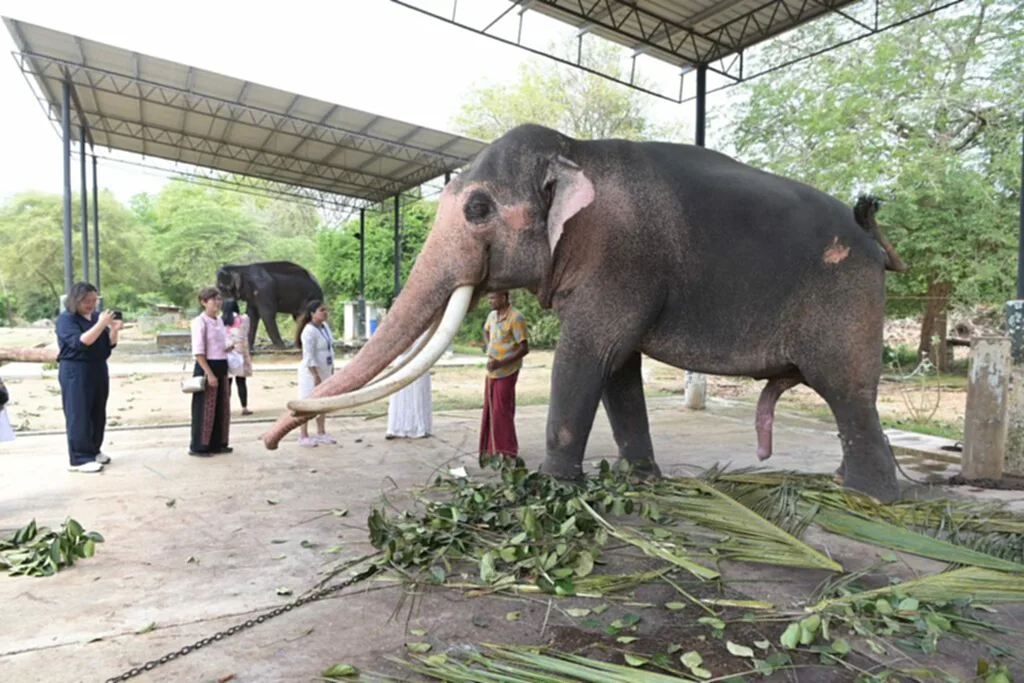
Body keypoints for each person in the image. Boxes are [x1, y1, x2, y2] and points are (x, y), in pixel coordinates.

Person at [55, 282, 123, 473]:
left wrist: (114, 329)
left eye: (94, 300)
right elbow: (82, 342)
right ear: (75, 300)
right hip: (76, 370)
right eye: (86, 301)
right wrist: (102, 323)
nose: (91, 304)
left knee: (97, 411)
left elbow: (107, 345)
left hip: (98, 367)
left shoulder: (95, 317)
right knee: (79, 413)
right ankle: (79, 458)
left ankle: (94, 449)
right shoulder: (66, 320)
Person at [479, 291, 529, 459]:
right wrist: (489, 347)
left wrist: (501, 362)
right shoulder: (492, 316)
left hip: (507, 371)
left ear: (504, 297)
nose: (490, 301)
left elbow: (524, 348)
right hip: (492, 370)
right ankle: (491, 449)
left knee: (502, 411)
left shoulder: (516, 318)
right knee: (490, 410)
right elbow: (485, 332)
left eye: (493, 298)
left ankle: (507, 451)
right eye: (489, 298)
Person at [189, 286, 234, 457]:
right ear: (203, 302)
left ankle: (218, 442)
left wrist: (228, 348)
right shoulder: (200, 322)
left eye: (219, 299)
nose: (217, 303)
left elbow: (219, 344)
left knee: (221, 406)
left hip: (221, 364)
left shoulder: (219, 321)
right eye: (213, 300)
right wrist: (209, 373)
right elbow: (199, 351)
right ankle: (200, 445)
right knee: (205, 407)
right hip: (208, 366)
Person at [295, 299, 337, 447]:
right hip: (311, 372)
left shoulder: (324, 327)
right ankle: (303, 434)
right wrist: (315, 375)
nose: (325, 313)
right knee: (307, 401)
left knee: (322, 403)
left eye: (325, 310)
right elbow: (309, 356)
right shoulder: (308, 331)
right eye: (321, 310)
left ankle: (321, 432)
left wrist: (332, 368)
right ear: (313, 313)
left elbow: (329, 347)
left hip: (325, 368)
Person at [385, 328, 433, 439]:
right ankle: (396, 427)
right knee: (400, 396)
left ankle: (419, 427)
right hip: (402, 362)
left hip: (420, 362)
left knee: (417, 395)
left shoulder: (428, 324)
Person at [222, 298, 254, 416]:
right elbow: (246, 333)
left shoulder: (220, 321)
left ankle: (226, 408)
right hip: (240, 353)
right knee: (241, 382)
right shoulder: (244, 319)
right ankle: (244, 407)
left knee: (227, 384)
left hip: (226, 354)